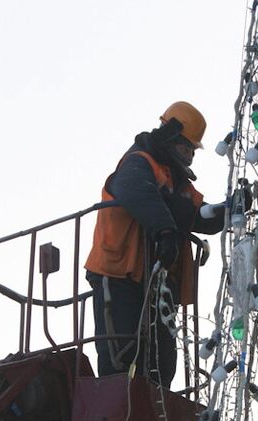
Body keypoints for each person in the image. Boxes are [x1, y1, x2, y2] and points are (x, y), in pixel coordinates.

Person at [84, 101, 227, 387]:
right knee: (120, 354)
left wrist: (232, 208)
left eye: (192, 150)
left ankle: (156, 408)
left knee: (161, 363)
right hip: (118, 274)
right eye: (187, 147)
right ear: (171, 135)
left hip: (155, 281)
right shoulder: (138, 162)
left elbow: (200, 215)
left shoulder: (178, 184)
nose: (189, 156)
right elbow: (136, 191)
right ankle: (118, 411)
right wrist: (165, 232)